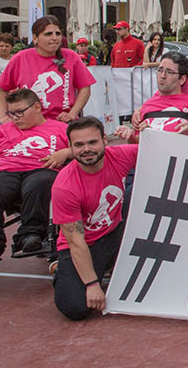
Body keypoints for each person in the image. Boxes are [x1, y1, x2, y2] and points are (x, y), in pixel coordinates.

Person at [0, 88, 70, 255]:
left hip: (42, 169)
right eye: (11, 113)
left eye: (20, 112)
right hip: (7, 170)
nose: (15, 118)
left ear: (37, 107)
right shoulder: (2, 130)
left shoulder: (61, 128)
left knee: (40, 183)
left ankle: (31, 234)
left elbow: (83, 148)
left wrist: (65, 153)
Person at [51, 117, 138, 321]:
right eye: (79, 145)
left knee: (135, 192)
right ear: (70, 148)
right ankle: (63, 270)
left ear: (104, 141)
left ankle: (109, 264)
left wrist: (134, 135)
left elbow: (159, 150)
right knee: (75, 308)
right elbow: (75, 241)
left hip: (117, 230)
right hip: (84, 244)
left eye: (92, 142)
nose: (86, 149)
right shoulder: (65, 186)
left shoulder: (119, 156)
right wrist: (91, 284)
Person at [0, 16, 95, 124]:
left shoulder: (71, 56)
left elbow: (85, 88)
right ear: (35, 37)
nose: (54, 38)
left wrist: (72, 113)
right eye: (48, 34)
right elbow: (1, 89)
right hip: (29, 125)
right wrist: (3, 116)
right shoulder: (21, 58)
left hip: (62, 124)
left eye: (58, 33)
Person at [119, 53, 188, 141]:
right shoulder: (147, 105)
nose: (163, 75)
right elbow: (138, 143)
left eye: (169, 72)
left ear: (182, 79)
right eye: (160, 70)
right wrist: (130, 135)